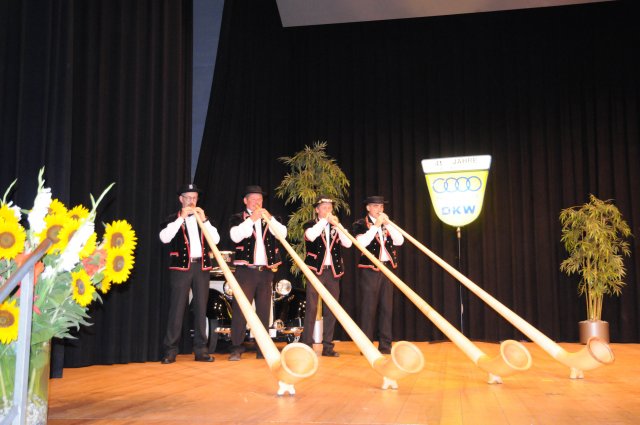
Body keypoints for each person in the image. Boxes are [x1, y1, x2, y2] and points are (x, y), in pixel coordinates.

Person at [159, 183, 220, 364]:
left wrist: (205, 220)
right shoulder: (173, 219)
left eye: (194, 198)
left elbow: (216, 240)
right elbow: (164, 238)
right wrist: (181, 219)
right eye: (188, 198)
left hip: (201, 267)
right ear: (181, 199)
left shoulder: (204, 219)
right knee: (177, 309)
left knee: (201, 309)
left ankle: (201, 350)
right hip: (181, 268)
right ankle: (170, 350)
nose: (192, 201)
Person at [228, 185, 287, 361]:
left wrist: (270, 219)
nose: (257, 202)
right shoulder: (237, 218)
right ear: (245, 201)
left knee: (263, 311)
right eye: (253, 199)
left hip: (266, 271)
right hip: (246, 271)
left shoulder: (270, 218)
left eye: (259, 199)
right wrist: (252, 219)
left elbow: (282, 234)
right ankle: (236, 347)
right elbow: (236, 236)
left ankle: (263, 348)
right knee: (241, 310)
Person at [301, 196, 352, 357]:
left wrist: (339, 225)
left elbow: (348, 243)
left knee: (331, 309)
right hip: (316, 270)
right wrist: (324, 221)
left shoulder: (336, 225)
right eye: (324, 208)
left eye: (330, 208)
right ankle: (307, 344)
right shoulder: (310, 224)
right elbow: (311, 236)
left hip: (333, 271)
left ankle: (328, 346)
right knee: (311, 308)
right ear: (317, 210)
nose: (328, 211)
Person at [352, 195, 404, 354]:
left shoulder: (388, 223)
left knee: (387, 309)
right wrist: (376, 226)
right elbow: (361, 243)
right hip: (370, 270)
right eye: (375, 206)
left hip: (388, 269)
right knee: (368, 309)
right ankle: (366, 347)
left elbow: (400, 241)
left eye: (381, 206)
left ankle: (385, 346)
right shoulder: (360, 224)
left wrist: (388, 225)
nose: (379, 209)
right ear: (368, 208)